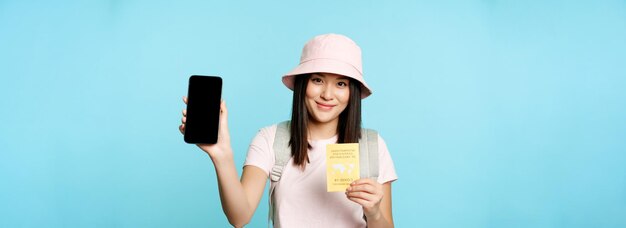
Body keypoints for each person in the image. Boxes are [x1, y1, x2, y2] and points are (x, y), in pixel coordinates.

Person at [179, 33, 397, 228]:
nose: (328, 95)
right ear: (303, 84)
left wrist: (374, 212)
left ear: (353, 92)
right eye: (318, 80)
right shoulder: (271, 139)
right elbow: (239, 217)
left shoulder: (372, 146)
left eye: (341, 84)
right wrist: (222, 155)